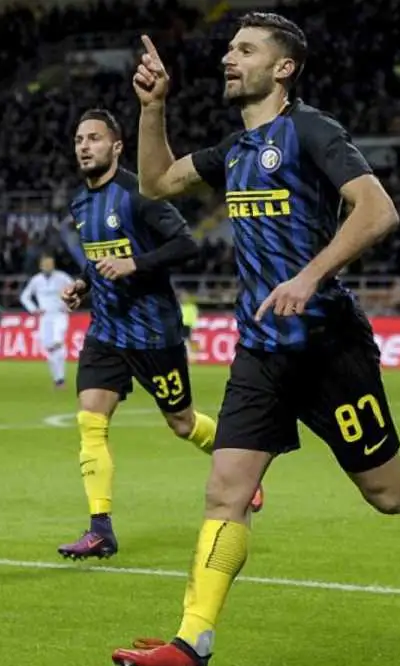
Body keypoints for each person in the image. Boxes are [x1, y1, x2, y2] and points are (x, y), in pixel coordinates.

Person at [110, 15, 400, 666]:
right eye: (229, 48)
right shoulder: (235, 148)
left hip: (327, 345)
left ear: (283, 68)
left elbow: (377, 210)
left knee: (389, 492)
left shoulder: (312, 131)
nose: (229, 58)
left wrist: (310, 276)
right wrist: (153, 107)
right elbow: (158, 182)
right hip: (262, 349)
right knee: (226, 491)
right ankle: (193, 644)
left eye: (245, 50)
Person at [56, 109, 263, 562]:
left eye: (94, 138)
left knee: (182, 423)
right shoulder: (80, 204)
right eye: (79, 139)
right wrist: (83, 284)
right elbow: (98, 257)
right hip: (106, 332)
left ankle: (245, 470)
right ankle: (100, 529)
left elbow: (186, 244)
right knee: (91, 421)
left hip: (153, 333)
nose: (84, 146)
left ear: (116, 147)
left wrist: (134, 264)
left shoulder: (140, 194)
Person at [19, 253, 75, 388]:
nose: (47, 267)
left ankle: (60, 376)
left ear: (53, 265)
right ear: (41, 266)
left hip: (59, 314)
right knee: (50, 350)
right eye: (45, 265)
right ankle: (58, 379)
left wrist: (69, 305)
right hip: (45, 317)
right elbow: (25, 296)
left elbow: (76, 289)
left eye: (50, 264)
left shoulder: (62, 277)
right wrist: (34, 309)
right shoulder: (36, 280)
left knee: (57, 342)